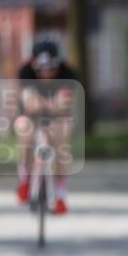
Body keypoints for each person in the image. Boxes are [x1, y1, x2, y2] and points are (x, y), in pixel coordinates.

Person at [14, 39, 79, 214]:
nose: (46, 73)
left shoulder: (67, 72)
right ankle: (24, 179)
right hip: (30, 113)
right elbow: (28, 101)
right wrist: (44, 103)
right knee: (25, 133)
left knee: (62, 143)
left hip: (59, 114)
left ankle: (60, 194)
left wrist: (55, 104)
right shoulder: (25, 71)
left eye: (50, 68)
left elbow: (65, 101)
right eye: (41, 68)